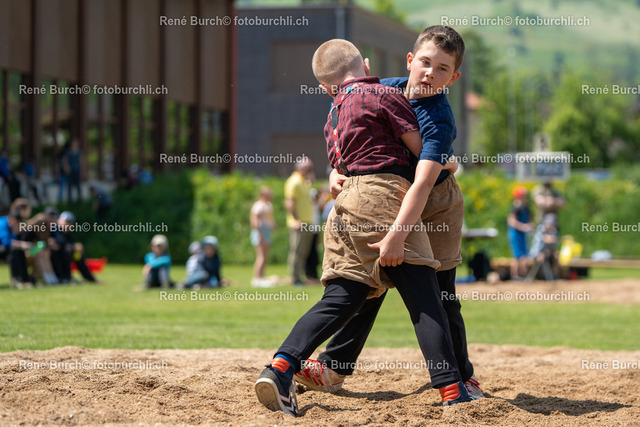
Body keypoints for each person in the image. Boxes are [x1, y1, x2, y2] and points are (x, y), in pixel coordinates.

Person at [254, 39, 471, 417]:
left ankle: (281, 367)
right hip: (389, 197)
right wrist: (446, 166)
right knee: (425, 299)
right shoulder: (386, 92)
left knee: (348, 294)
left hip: (362, 208)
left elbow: (349, 151)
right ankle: (453, 389)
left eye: (441, 68)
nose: (429, 73)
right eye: (425, 62)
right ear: (376, 65)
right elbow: (415, 161)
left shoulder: (338, 109)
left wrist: (337, 173)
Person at [284, 158, 314, 286]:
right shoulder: (294, 182)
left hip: (307, 222)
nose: (310, 171)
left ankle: (299, 277)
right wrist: (296, 220)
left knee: (303, 252)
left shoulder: (304, 182)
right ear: (300, 168)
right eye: (308, 168)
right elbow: (290, 202)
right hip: (299, 223)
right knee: (296, 252)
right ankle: (294, 278)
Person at [50, 211, 98, 284]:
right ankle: (65, 278)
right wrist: (74, 246)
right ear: (59, 220)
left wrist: (76, 246)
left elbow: (70, 242)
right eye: (66, 222)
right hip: (52, 255)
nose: (67, 224)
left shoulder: (67, 232)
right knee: (68, 250)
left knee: (77, 253)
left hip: (62, 254)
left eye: (70, 223)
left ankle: (90, 278)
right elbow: (59, 241)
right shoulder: (54, 227)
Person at [250, 186, 276, 288]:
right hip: (260, 232)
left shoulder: (268, 205)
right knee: (261, 256)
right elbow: (255, 220)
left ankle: (262, 277)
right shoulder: (258, 206)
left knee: (265, 256)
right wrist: (259, 234)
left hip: (266, 231)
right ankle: (257, 278)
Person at [508, 186, 534, 279]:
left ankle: (523, 275)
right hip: (516, 234)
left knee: (524, 255)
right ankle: (515, 276)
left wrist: (530, 225)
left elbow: (530, 219)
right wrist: (523, 227)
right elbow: (511, 221)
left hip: (523, 234)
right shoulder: (516, 207)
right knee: (517, 256)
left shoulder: (526, 208)